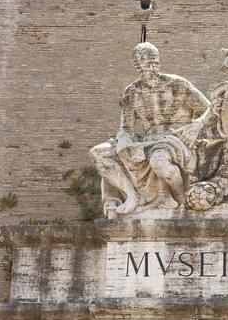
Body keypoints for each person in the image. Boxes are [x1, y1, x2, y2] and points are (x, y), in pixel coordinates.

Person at [90, 42, 210, 218]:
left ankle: (182, 202)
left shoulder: (177, 85)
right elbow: (126, 128)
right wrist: (124, 139)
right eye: (148, 64)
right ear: (138, 66)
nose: (153, 68)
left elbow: (210, 109)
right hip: (146, 142)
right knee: (99, 154)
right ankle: (132, 196)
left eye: (155, 62)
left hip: (175, 140)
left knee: (158, 161)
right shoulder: (132, 93)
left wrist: (198, 124)